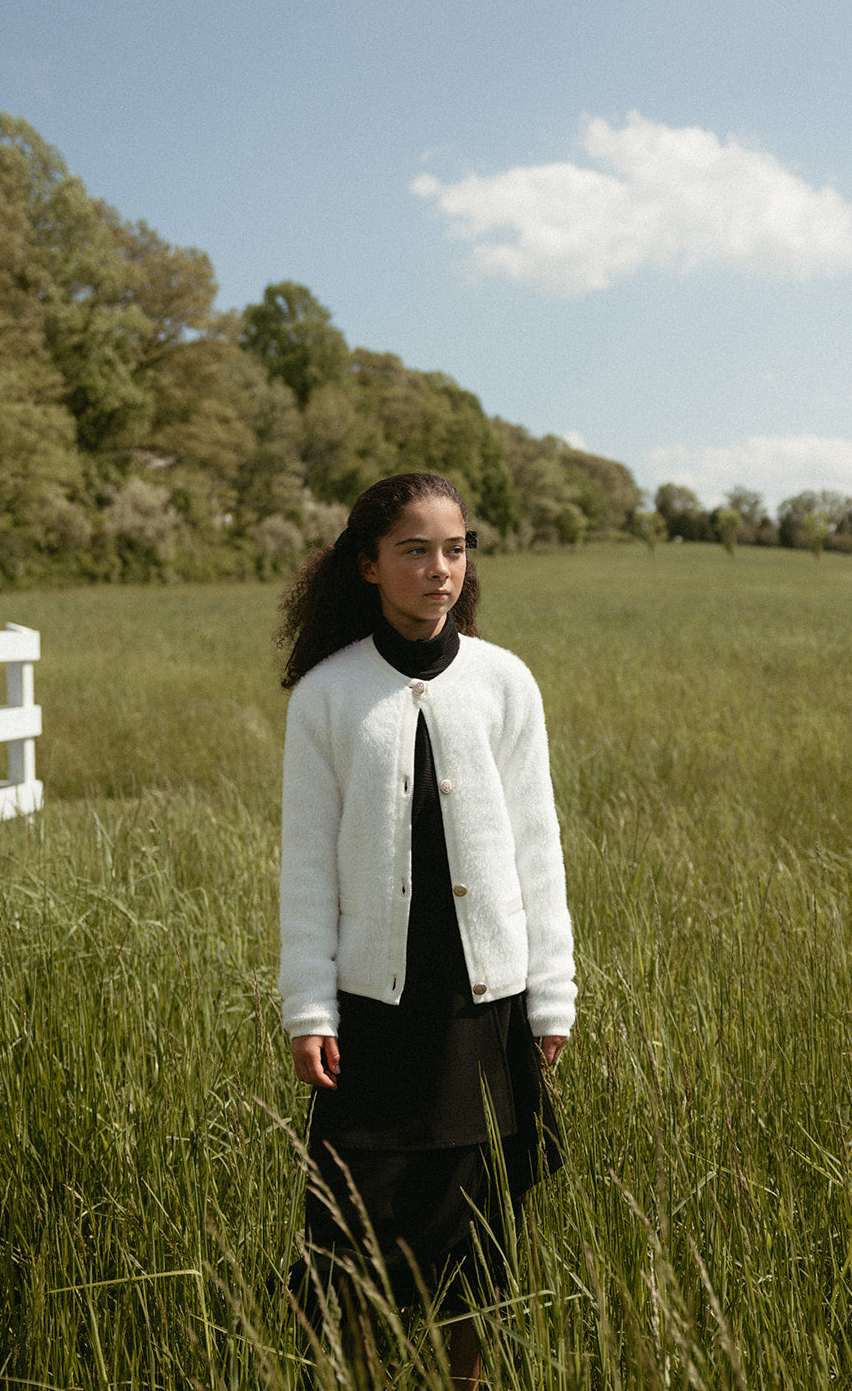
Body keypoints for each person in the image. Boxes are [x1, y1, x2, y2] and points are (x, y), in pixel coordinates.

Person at [277, 471, 576, 1390]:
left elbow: (538, 843)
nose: (438, 569)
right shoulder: (325, 696)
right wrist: (308, 1006)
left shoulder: (503, 681)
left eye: (454, 549)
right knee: (350, 1230)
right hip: (374, 1004)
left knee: (478, 1235)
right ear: (367, 565)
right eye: (414, 550)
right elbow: (307, 866)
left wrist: (552, 993)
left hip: (482, 1000)